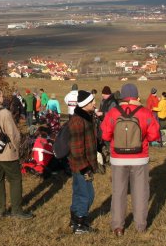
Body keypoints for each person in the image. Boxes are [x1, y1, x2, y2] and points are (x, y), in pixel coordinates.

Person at [100, 83, 160, 236]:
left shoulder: (113, 113)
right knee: (140, 193)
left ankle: (118, 227)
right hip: (140, 158)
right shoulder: (146, 113)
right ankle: (141, 226)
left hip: (118, 159)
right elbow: (154, 135)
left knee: (118, 192)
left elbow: (105, 135)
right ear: (136, 96)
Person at [0, 88, 33, 219]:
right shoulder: (4, 113)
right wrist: (16, 149)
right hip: (7, 152)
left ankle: (0, 210)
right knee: (15, 179)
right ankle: (16, 210)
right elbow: (14, 135)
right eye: (2, 96)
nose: (3, 98)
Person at [67, 90, 99, 234]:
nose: (95, 103)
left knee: (79, 192)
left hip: (83, 164)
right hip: (81, 165)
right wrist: (85, 167)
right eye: (92, 102)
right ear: (85, 104)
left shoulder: (86, 117)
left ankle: (74, 220)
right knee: (87, 194)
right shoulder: (78, 121)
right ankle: (80, 224)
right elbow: (76, 148)